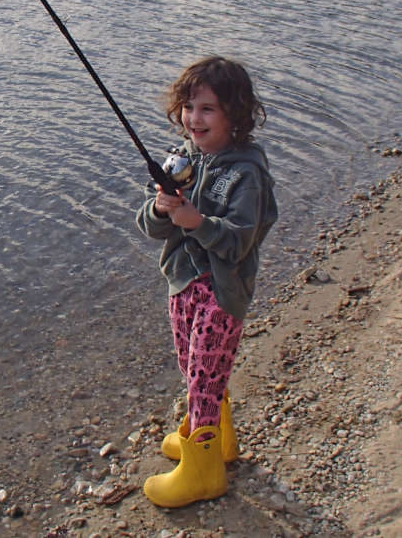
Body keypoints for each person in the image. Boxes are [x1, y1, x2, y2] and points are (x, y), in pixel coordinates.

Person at [136, 56, 278, 508]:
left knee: (204, 376)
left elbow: (238, 242)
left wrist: (197, 221)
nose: (193, 119)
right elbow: (152, 226)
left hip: (221, 291)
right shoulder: (183, 160)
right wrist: (162, 209)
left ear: (235, 116)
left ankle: (203, 472)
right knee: (194, 365)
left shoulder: (246, 175)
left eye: (207, 110)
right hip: (183, 282)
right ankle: (218, 439)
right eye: (189, 107)